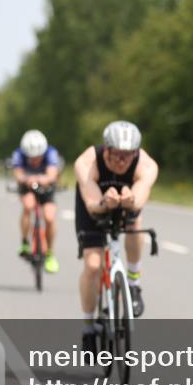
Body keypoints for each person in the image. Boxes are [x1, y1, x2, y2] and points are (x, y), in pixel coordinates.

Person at [74, 120, 158, 351]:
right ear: (106, 150)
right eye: (117, 155)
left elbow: (140, 198)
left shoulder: (146, 165)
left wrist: (130, 201)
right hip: (94, 205)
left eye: (128, 156)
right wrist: (105, 202)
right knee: (93, 265)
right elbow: (92, 204)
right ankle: (88, 327)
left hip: (125, 203)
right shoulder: (87, 162)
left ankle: (133, 282)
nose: (122, 161)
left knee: (134, 222)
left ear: (136, 153)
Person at [11, 129, 61, 273]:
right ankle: (25, 242)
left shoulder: (51, 152)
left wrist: (42, 179)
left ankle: (50, 253)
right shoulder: (18, 153)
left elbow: (52, 175)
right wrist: (27, 179)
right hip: (27, 185)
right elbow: (18, 175)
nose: (35, 161)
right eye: (31, 158)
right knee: (28, 205)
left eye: (38, 157)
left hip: (46, 186)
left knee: (49, 217)